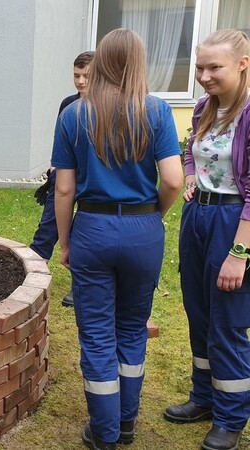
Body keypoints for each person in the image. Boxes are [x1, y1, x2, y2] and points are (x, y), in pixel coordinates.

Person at [53, 29, 182, 450]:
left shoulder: (73, 114)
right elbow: (174, 181)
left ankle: (104, 434)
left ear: (101, 63)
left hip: (94, 227)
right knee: (131, 328)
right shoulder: (159, 112)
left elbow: (64, 190)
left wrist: (66, 242)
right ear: (139, 63)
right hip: (144, 231)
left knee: (95, 334)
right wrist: (152, 217)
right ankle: (126, 424)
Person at [165, 29, 250, 450]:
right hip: (197, 218)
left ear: (242, 64)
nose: (203, 75)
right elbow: (189, 151)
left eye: (213, 67)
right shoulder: (203, 108)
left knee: (227, 323)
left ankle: (231, 417)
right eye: (199, 66)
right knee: (198, 314)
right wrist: (194, 177)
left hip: (235, 222)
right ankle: (203, 398)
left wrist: (239, 254)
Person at [31, 50, 94, 307]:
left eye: (86, 76)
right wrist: (53, 167)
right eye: (76, 75)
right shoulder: (68, 104)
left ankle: (78, 284)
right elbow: (60, 141)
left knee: (85, 230)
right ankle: (33, 274)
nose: (80, 81)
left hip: (91, 178)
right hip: (64, 175)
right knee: (50, 223)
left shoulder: (107, 107)